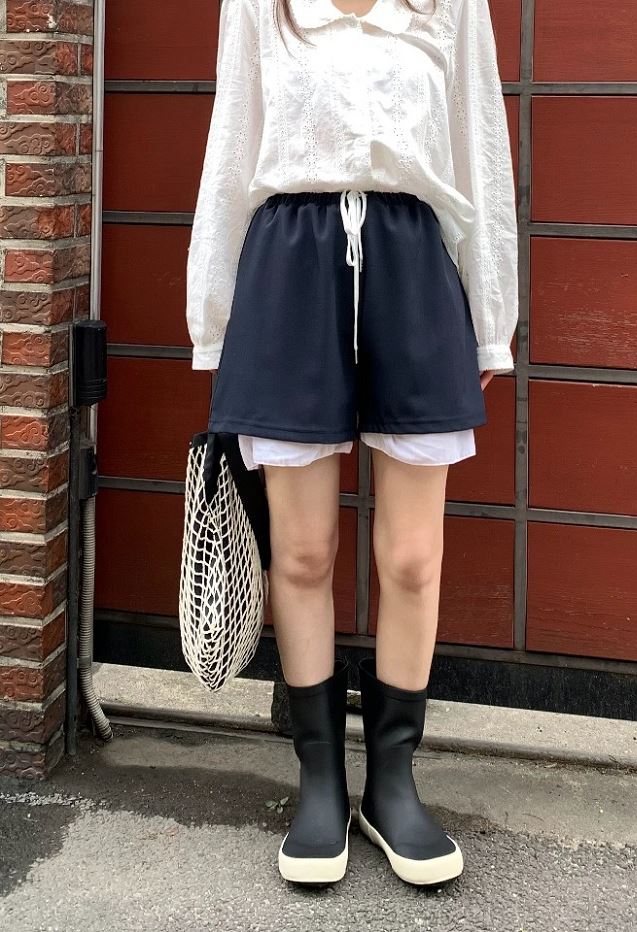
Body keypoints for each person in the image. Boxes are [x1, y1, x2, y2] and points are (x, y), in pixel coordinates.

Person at [186, 0, 518, 887]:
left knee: (411, 557)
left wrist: (491, 321)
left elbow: (480, 148)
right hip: (288, 265)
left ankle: (394, 783)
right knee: (301, 552)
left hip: (413, 265)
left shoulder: (452, 7)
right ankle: (321, 782)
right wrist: (215, 326)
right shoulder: (259, 7)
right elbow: (231, 149)